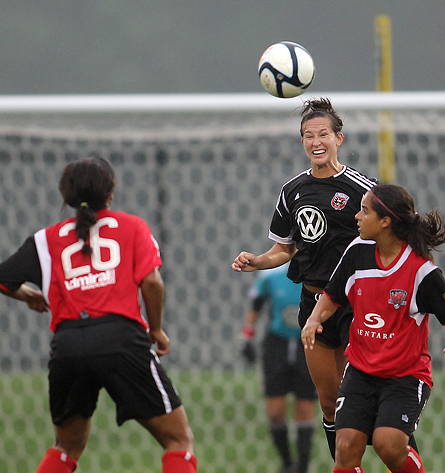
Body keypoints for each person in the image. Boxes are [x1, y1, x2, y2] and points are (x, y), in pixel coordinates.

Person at [0, 156, 197, 473]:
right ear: (110, 191)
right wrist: (156, 329)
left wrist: (27, 295)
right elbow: (152, 282)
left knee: (66, 447)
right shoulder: (132, 226)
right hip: (121, 339)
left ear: (65, 195)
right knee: (178, 440)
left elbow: (4, 279)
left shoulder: (44, 240)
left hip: (68, 344)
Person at [231, 97, 382, 459]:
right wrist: (257, 261)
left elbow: (390, 239)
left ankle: (397, 450)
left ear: (339, 138)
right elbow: (284, 249)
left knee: (361, 397)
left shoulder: (363, 189)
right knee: (329, 402)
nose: (316, 142)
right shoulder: (292, 191)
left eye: (323, 134)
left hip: (356, 304)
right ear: (302, 142)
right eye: (308, 136)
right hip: (313, 303)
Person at [301, 184, 445, 473]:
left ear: (385, 221)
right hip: (361, 371)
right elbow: (332, 294)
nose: (357, 216)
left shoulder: (421, 270)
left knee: (389, 444)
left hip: (404, 376)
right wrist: (314, 319)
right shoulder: (357, 251)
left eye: (364, 211)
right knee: (346, 446)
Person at [241, 263, 317, 473]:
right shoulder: (270, 276)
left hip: (307, 343)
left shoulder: (316, 272)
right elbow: (256, 305)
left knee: (305, 407)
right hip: (277, 344)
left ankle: (302, 467)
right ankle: (287, 463)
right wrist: (247, 337)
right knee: (275, 412)